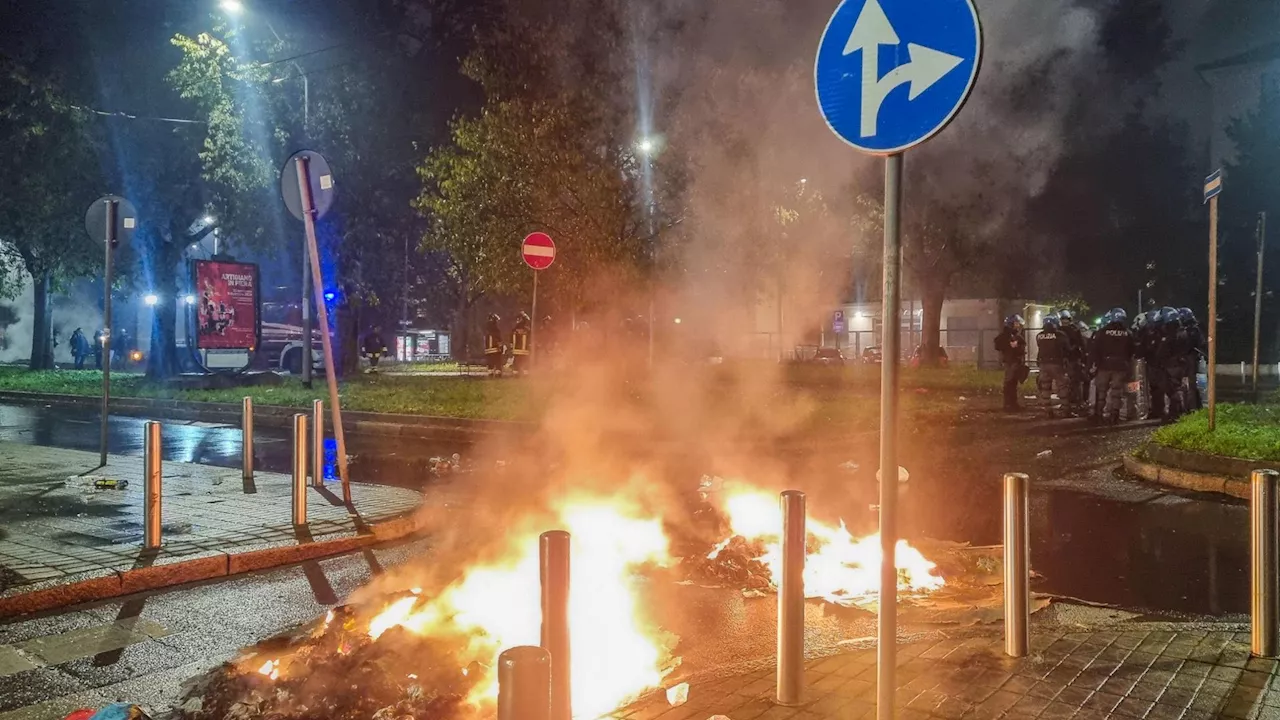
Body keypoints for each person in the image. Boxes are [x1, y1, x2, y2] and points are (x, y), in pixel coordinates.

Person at [1090, 308, 1135, 425]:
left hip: (1104, 366)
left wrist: (1096, 364)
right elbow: (1132, 350)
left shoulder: (1102, 332)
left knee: (1101, 391)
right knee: (1117, 392)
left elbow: (1095, 349)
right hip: (1121, 366)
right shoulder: (1128, 333)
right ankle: (1114, 415)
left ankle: (1098, 415)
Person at [1155, 306, 1189, 420]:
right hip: (1179, 364)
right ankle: (1178, 412)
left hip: (1171, 365)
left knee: (1171, 388)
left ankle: (1175, 413)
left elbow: (1162, 351)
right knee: (1176, 387)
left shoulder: (1171, 334)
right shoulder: (1182, 331)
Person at [1035, 315, 1070, 418]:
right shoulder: (1060, 335)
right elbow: (1067, 348)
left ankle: (1048, 411)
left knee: (1045, 388)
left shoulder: (1039, 335)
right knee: (1062, 386)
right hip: (1057, 364)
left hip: (1043, 364)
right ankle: (1065, 410)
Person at [994, 314, 1027, 411]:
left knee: (1012, 383)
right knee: (1010, 383)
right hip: (1011, 361)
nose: (1018, 325)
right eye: (1016, 323)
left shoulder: (1013, 335)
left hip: (1013, 361)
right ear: (1011, 324)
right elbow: (998, 344)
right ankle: (1009, 404)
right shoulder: (1007, 335)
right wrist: (1011, 346)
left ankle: (1012, 404)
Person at [1179, 308, 1204, 411]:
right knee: (1190, 384)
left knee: (1190, 384)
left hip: (1190, 359)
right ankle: (1195, 406)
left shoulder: (1192, 330)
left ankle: (1192, 407)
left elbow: (1193, 345)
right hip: (1191, 359)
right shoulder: (1194, 329)